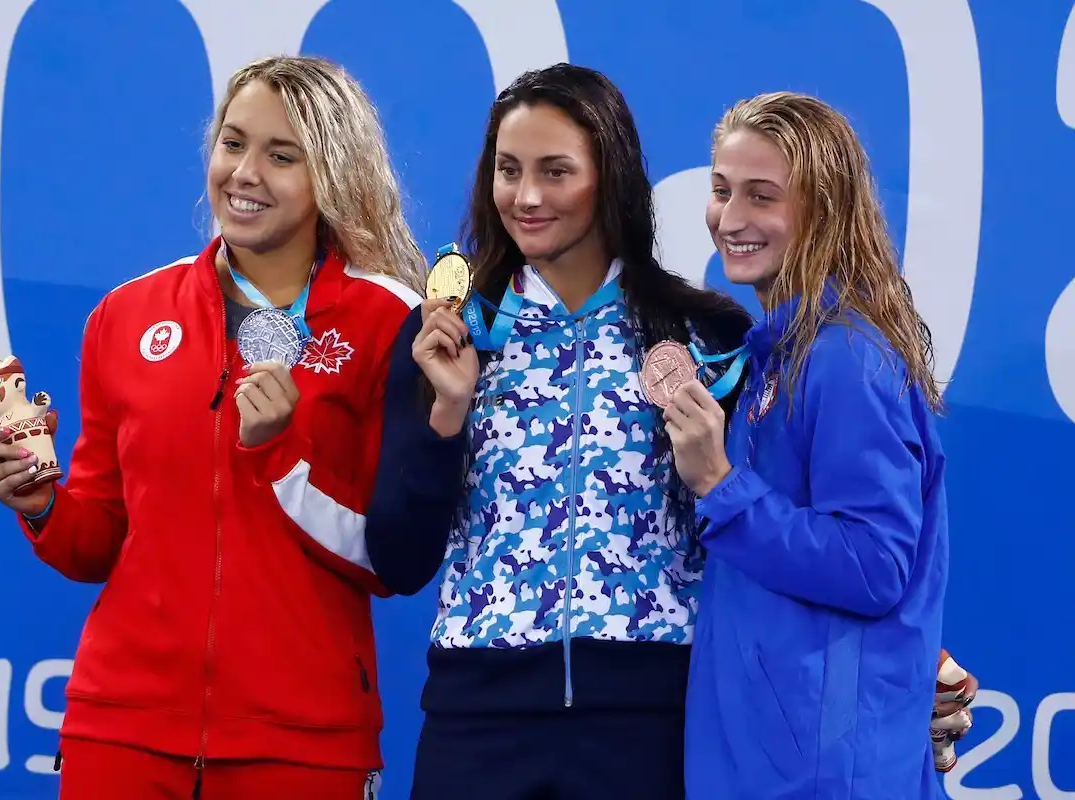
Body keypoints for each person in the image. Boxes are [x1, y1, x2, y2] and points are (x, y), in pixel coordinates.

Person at [0, 55, 424, 799]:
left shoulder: (387, 322)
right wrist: (42, 505)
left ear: (333, 174)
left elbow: (390, 559)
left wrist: (284, 451)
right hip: (122, 729)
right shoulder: (126, 315)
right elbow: (98, 541)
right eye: (232, 143)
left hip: (301, 741)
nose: (245, 173)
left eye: (282, 156)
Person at [365, 63, 753, 799]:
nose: (527, 196)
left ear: (610, 177)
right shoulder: (448, 332)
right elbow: (398, 559)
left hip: (648, 722)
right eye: (508, 171)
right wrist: (444, 417)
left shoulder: (703, 333)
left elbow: (747, 539)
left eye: (556, 171)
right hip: (477, 722)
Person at [677, 90, 950, 798]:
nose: (730, 219)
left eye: (761, 196)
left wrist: (720, 486)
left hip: (823, 779)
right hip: (770, 767)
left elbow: (873, 565)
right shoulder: (778, 353)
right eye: (721, 190)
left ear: (822, 210)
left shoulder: (844, 358)